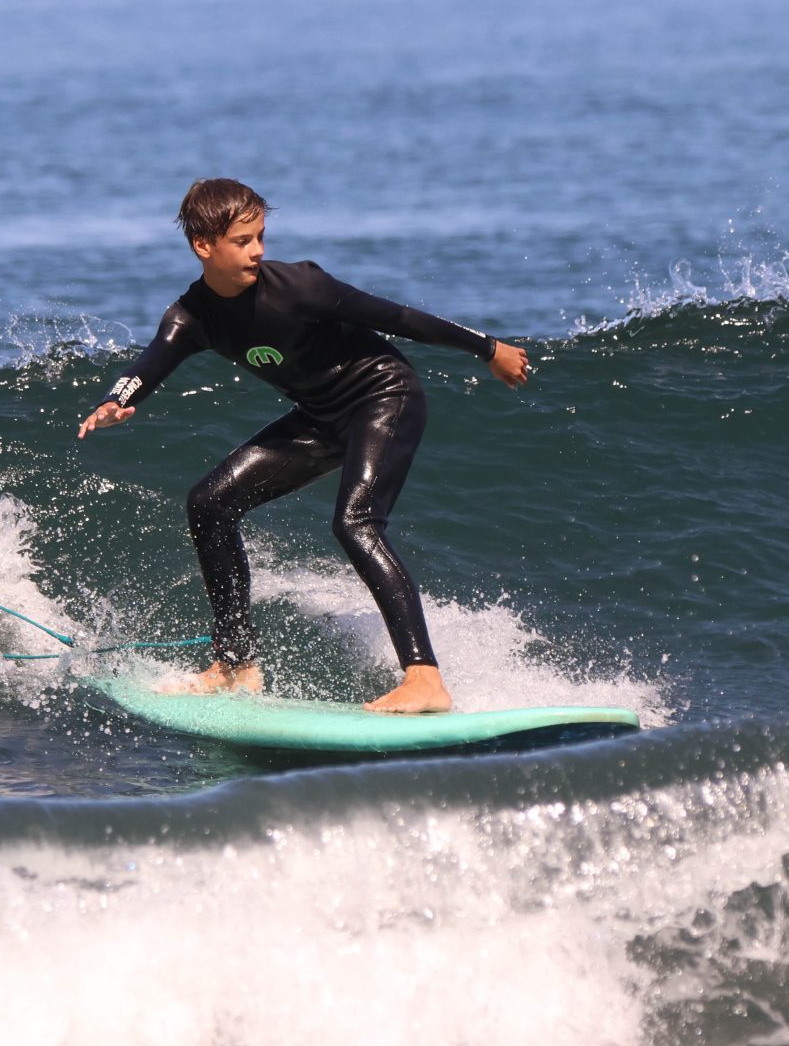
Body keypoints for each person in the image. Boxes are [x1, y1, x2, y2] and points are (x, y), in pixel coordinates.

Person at [78, 178, 530, 713]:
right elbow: (148, 365)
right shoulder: (191, 317)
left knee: (356, 522)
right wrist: (114, 401)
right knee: (209, 503)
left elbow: (398, 317)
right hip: (321, 417)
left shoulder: (301, 286)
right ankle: (235, 664)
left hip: (384, 397)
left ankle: (424, 679)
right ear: (205, 246)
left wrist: (488, 348)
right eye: (243, 241)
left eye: (260, 237)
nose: (258, 250)